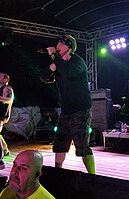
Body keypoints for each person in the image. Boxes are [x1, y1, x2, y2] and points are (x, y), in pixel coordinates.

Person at [41, 35, 96, 174]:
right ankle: (58, 174)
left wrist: (54, 57)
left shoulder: (77, 61)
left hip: (81, 108)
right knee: (60, 143)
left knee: (82, 144)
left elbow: (70, 72)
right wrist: (52, 66)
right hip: (66, 109)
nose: (57, 46)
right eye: (57, 44)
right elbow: (44, 76)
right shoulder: (59, 64)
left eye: (61, 44)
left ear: (69, 47)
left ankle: (93, 176)